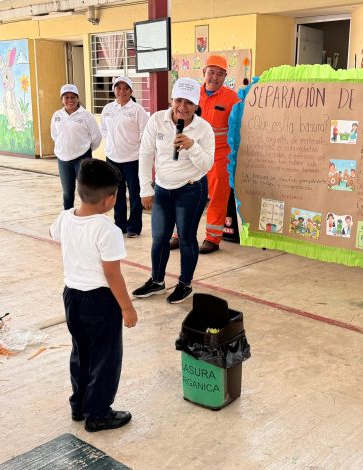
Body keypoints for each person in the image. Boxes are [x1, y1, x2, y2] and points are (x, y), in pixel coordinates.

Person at [49, 159, 138, 432]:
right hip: (100, 301)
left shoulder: (65, 217)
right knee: (106, 357)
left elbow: (53, 234)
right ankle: (98, 413)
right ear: (109, 199)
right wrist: (127, 308)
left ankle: (79, 404)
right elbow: (112, 274)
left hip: (72, 297)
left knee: (82, 351)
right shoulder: (107, 230)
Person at [132, 78, 214, 304]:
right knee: (159, 238)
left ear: (196, 105)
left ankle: (185, 284)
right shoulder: (157, 120)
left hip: (191, 189)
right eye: (178, 100)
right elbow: (146, 154)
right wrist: (145, 188)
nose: (182, 107)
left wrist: (192, 146)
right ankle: (157, 281)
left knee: (186, 238)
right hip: (162, 189)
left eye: (189, 102)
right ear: (171, 100)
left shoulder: (204, 129)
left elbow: (207, 164)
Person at [169, 55, 239, 255]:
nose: (214, 77)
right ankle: (178, 234)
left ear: (225, 76)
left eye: (220, 74)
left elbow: (237, 129)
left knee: (217, 197)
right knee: (184, 194)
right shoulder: (192, 95)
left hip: (220, 156)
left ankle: (213, 238)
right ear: (204, 72)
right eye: (211, 72)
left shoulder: (233, 98)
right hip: (190, 153)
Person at [100, 76, 149, 238]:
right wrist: (112, 144)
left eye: (126, 88)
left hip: (133, 159)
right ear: (114, 90)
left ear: (131, 91)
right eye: (118, 88)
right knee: (117, 194)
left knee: (135, 194)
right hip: (112, 158)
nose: (122, 91)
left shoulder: (137, 110)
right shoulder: (108, 108)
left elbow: (146, 132)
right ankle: (120, 225)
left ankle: (134, 227)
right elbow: (104, 130)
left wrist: (137, 148)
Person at [50, 84, 102, 210]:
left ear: (78, 98)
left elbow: (96, 137)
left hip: (82, 158)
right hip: (63, 159)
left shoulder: (86, 115)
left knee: (86, 190)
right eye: (66, 97)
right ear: (62, 100)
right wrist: (64, 147)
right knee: (67, 192)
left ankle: (89, 215)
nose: (70, 100)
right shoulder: (57, 115)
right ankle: (68, 217)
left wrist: (86, 150)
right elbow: (55, 135)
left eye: (73, 97)